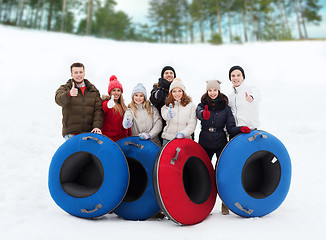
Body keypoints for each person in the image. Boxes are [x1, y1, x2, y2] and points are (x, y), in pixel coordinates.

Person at [196, 80, 251, 215]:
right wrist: (204, 114)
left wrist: (240, 129)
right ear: (207, 91)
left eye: (215, 90)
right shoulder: (202, 104)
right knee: (201, 172)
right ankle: (201, 202)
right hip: (204, 142)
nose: (212, 93)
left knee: (222, 174)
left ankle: (225, 202)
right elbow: (198, 112)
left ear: (218, 90)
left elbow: (230, 127)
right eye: (210, 90)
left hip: (220, 141)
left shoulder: (225, 107)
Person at [55, 62, 103, 140]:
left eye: (81, 72)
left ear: (84, 73)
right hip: (71, 133)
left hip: (89, 133)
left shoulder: (93, 90)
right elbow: (58, 100)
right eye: (76, 72)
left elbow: (98, 110)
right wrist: (69, 94)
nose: (79, 75)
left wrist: (97, 127)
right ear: (72, 74)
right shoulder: (65, 88)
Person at [161, 78, 197, 146]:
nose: (177, 94)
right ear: (171, 93)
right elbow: (165, 116)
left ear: (183, 92)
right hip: (168, 140)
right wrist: (168, 114)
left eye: (179, 91)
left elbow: (192, 124)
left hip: (184, 139)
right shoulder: (166, 106)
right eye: (174, 91)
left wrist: (183, 133)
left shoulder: (191, 106)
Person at [150, 66, 176, 144]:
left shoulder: (178, 88)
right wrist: (157, 96)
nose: (169, 75)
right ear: (162, 75)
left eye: (171, 73)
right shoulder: (157, 87)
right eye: (166, 73)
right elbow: (153, 97)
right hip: (161, 124)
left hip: (175, 124)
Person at [101, 75, 131, 142]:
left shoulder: (123, 107)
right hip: (109, 140)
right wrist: (108, 105)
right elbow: (104, 108)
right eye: (113, 90)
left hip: (122, 140)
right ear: (110, 92)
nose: (116, 93)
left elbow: (128, 128)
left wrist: (129, 137)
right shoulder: (106, 103)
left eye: (118, 90)